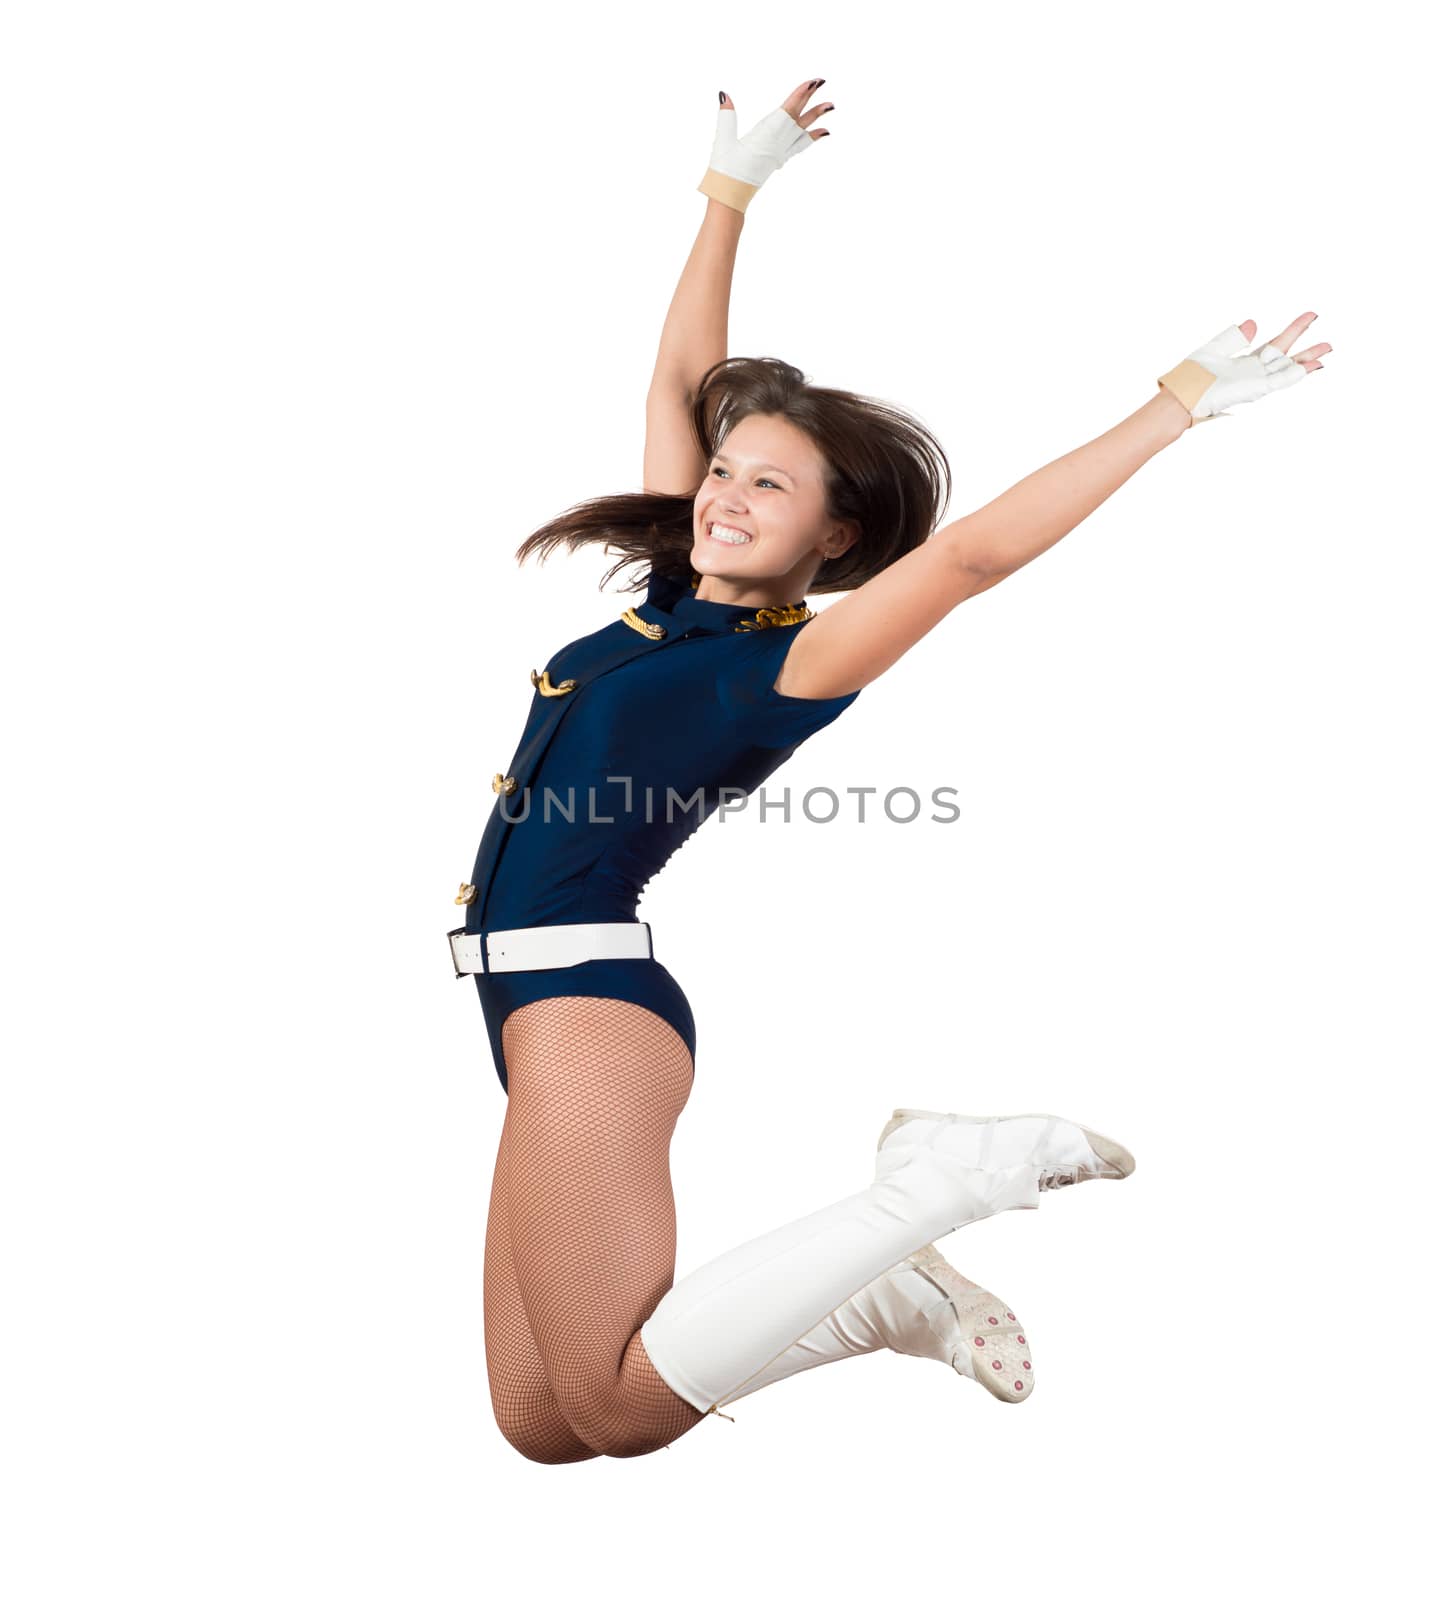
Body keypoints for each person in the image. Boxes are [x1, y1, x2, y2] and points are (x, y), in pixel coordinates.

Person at [450, 80, 1332, 1464]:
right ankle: (883, 1304)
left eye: (769, 488)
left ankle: (934, 1186)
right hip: (514, 1001)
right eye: (723, 473)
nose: (726, 497)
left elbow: (969, 559)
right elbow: (678, 382)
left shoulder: (784, 663)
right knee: (540, 1421)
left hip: (589, 1008)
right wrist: (728, 195)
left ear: (835, 531)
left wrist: (1171, 408)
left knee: (617, 1406)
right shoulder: (672, 599)